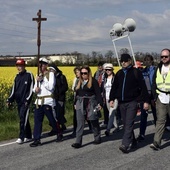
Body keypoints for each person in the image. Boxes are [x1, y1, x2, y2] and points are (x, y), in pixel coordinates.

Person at [109, 54, 149, 153]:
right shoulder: (119, 73)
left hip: (132, 101)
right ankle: (134, 141)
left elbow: (143, 87)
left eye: (125, 61)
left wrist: (146, 101)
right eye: (122, 61)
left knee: (129, 123)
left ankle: (125, 144)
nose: (123, 63)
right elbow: (114, 87)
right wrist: (112, 99)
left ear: (130, 61)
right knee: (126, 123)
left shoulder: (136, 72)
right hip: (122, 102)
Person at [30, 58, 62, 147]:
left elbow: (51, 87)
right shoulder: (38, 75)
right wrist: (35, 90)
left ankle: (58, 132)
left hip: (48, 101)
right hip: (39, 101)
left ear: (46, 65)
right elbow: (34, 88)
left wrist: (42, 80)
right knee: (37, 121)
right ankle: (37, 139)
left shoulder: (50, 74)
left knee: (52, 119)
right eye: (39, 64)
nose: (41, 66)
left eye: (42, 64)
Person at [71, 65, 103, 148]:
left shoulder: (93, 81)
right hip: (80, 102)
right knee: (80, 122)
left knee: (93, 120)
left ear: (88, 73)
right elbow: (77, 94)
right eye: (81, 73)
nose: (83, 75)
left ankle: (97, 137)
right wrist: (75, 103)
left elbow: (98, 93)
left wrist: (100, 103)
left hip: (91, 102)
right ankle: (78, 141)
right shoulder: (79, 82)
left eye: (85, 73)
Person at [7, 59, 34, 144]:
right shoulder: (17, 76)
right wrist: (10, 99)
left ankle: (21, 137)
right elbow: (14, 89)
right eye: (18, 66)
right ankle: (29, 136)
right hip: (18, 101)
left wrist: (28, 100)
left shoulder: (29, 75)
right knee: (24, 118)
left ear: (24, 66)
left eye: (21, 66)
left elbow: (31, 89)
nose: (19, 67)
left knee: (23, 119)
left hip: (25, 102)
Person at [150, 48, 170, 150]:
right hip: (161, 97)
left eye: (166, 56)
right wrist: (155, 96)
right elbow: (154, 83)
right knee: (160, 120)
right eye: (162, 56)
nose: (164, 58)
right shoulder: (158, 68)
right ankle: (156, 142)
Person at [136, 55, 157, 142]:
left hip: (154, 95)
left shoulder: (155, 70)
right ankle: (142, 134)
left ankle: (159, 132)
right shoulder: (142, 71)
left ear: (152, 61)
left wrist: (155, 97)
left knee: (156, 115)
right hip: (145, 96)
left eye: (148, 60)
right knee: (143, 116)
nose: (147, 62)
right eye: (145, 60)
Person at [48, 63, 68, 134]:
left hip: (60, 98)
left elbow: (65, 87)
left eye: (51, 70)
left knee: (59, 113)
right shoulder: (50, 78)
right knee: (53, 114)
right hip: (53, 98)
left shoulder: (62, 77)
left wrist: (58, 92)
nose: (50, 71)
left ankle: (60, 126)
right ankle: (56, 127)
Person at [101, 63, 119, 136]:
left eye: (109, 69)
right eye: (106, 70)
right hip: (107, 98)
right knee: (112, 114)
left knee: (111, 114)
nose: (108, 71)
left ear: (112, 70)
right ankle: (117, 127)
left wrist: (113, 99)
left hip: (114, 99)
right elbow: (103, 90)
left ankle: (108, 130)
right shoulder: (105, 79)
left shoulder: (115, 78)